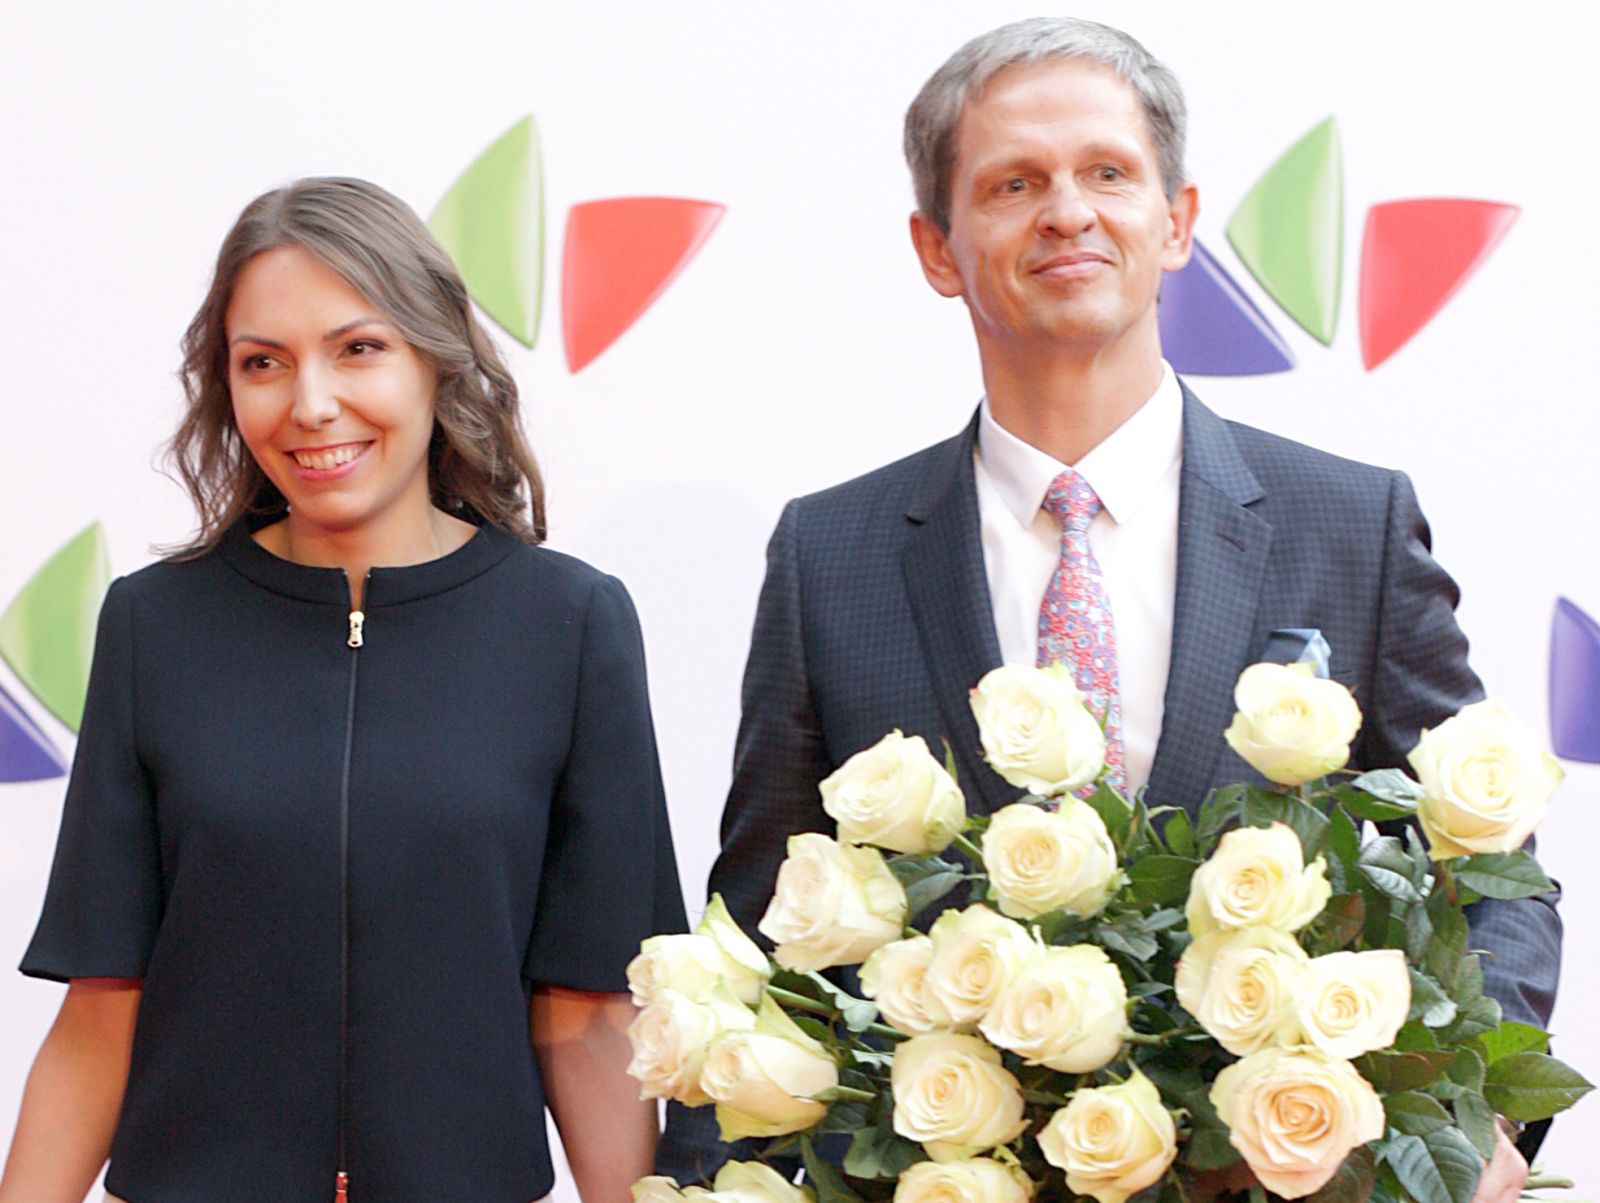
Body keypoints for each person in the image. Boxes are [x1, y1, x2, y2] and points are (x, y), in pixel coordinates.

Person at [656, 17, 1560, 1201]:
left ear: (1175, 222)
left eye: (1106, 174)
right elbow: (759, 932)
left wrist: (1472, 1123)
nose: (1066, 213)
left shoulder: (1349, 524)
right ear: (936, 248)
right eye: (1013, 184)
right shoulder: (833, 554)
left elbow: (1489, 877)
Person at [0, 177, 685, 1203]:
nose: (310, 404)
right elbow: (102, 1010)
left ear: (435, 357)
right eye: (263, 362)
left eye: (358, 348)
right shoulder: (154, 626)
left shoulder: (572, 624)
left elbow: (587, 1015)